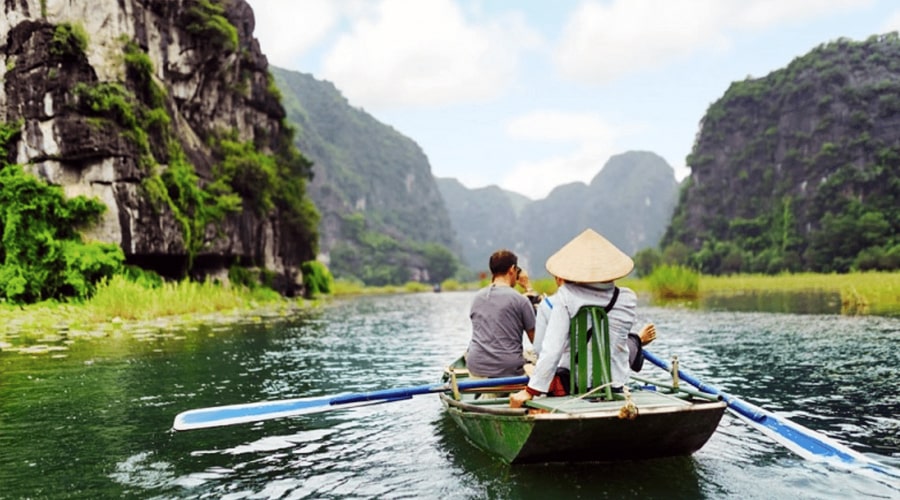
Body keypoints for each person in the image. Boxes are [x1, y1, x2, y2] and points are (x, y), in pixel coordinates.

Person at [510, 229, 648, 408]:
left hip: (576, 388)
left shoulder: (566, 297)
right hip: (616, 387)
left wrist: (530, 391)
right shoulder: (628, 298)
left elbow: (552, 350)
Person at [466, 249, 537, 378]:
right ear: (512, 270)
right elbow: (536, 341)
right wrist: (528, 287)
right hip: (509, 371)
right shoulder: (521, 300)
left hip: (475, 367)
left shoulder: (477, 298)